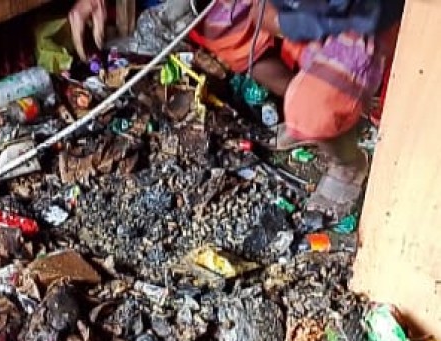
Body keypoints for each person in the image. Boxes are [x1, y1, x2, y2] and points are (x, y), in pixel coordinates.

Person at [68, 0, 404, 221]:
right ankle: (302, 99)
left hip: (354, 15)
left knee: (315, 108)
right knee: (221, 25)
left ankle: (347, 161)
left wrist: (282, 20)